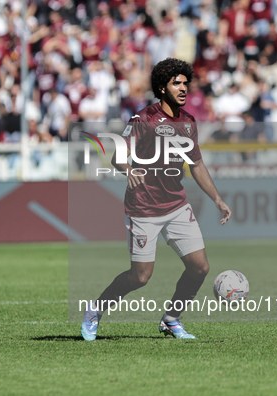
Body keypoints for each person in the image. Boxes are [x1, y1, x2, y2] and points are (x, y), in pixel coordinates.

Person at [81, 58, 232, 341]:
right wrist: (129, 170)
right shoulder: (143, 120)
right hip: (144, 208)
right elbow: (117, 155)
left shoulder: (188, 122)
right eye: (177, 83)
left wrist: (217, 199)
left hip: (176, 205)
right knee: (140, 277)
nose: (184, 88)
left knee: (200, 267)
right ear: (162, 88)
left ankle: (172, 319)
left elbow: (196, 165)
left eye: (186, 83)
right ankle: (95, 310)